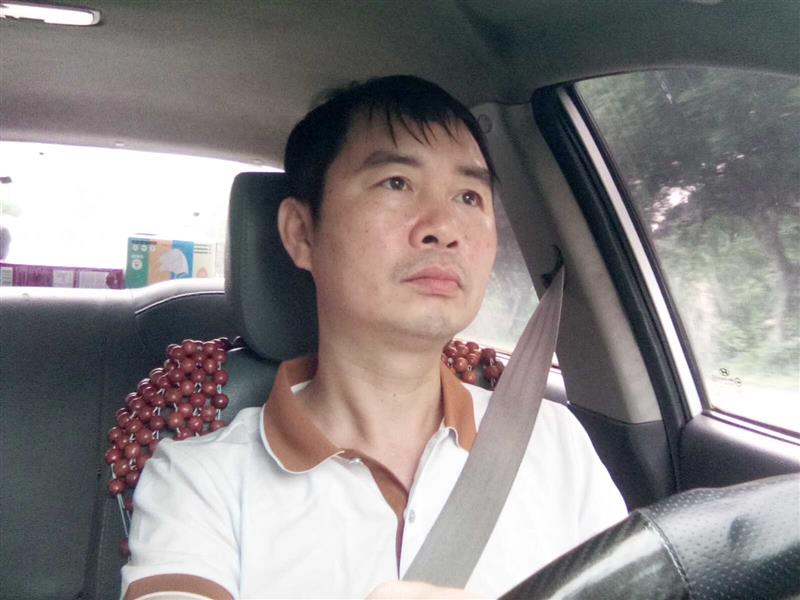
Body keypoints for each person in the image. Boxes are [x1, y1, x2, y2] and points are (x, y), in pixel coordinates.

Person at [121, 76, 627, 600]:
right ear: (301, 232)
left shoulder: (551, 441)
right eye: (396, 183)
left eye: (469, 196)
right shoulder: (199, 481)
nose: (443, 228)